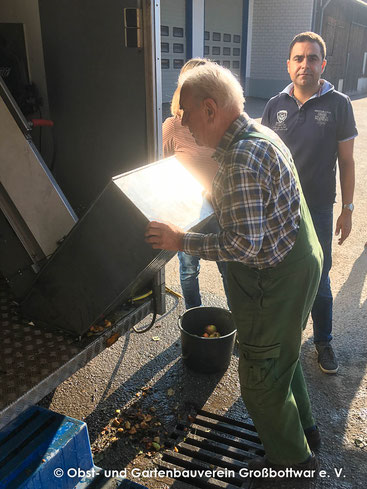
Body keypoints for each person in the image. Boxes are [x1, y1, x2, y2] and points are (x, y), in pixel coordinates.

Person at [145, 62, 323, 475]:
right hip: (299, 263)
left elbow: (243, 245)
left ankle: (293, 467)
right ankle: (305, 431)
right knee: (284, 356)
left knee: (261, 379)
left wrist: (179, 239)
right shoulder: (261, 133)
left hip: (274, 281)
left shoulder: (240, 159)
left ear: (210, 109)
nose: (184, 126)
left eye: (186, 115)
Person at [262, 32, 357, 375]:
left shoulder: (339, 104)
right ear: (288, 65)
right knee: (277, 273)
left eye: (312, 58)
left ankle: (323, 341)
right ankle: (278, 336)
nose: (305, 64)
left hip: (317, 208)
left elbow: (347, 162)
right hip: (278, 209)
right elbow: (264, 158)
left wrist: (347, 209)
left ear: (323, 64)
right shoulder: (274, 105)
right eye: (299, 58)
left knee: (319, 276)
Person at [163, 58, 228, 309]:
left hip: (220, 209)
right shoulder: (172, 126)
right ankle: (194, 317)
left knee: (228, 269)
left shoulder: (218, 126)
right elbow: (160, 168)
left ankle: (237, 322)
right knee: (189, 270)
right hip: (188, 213)